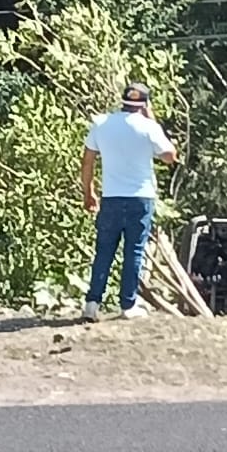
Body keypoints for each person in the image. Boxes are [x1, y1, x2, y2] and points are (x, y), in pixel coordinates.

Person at [80, 82, 177, 321]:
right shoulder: (149, 127)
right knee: (134, 251)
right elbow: (170, 157)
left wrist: (88, 192)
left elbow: (87, 161)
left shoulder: (101, 124)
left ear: (122, 100)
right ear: (144, 103)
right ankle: (128, 304)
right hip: (140, 198)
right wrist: (152, 119)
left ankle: (92, 304)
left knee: (104, 251)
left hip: (111, 196)